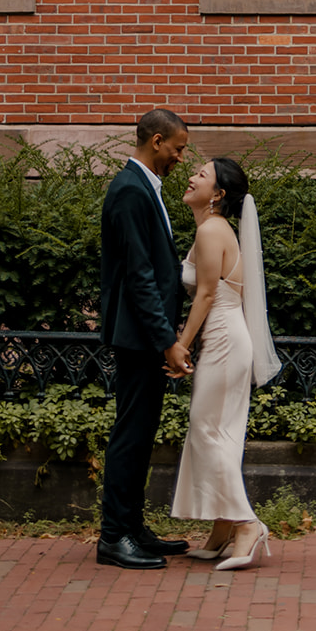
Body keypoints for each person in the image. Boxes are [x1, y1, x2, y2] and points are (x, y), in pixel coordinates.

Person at [170, 155, 282, 571]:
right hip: (225, 339)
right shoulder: (211, 229)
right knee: (223, 434)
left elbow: (206, 295)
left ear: (217, 194)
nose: (191, 177)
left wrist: (181, 344)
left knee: (205, 427)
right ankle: (221, 531)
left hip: (223, 340)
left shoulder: (212, 230)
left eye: (201, 175)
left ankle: (247, 523)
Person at [97, 108, 193, 571]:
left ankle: (132, 527)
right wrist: (166, 340)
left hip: (145, 337)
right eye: (178, 149)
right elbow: (139, 277)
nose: (180, 158)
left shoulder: (143, 188)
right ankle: (113, 537)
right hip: (138, 338)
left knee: (141, 434)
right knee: (130, 436)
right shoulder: (130, 191)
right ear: (156, 141)